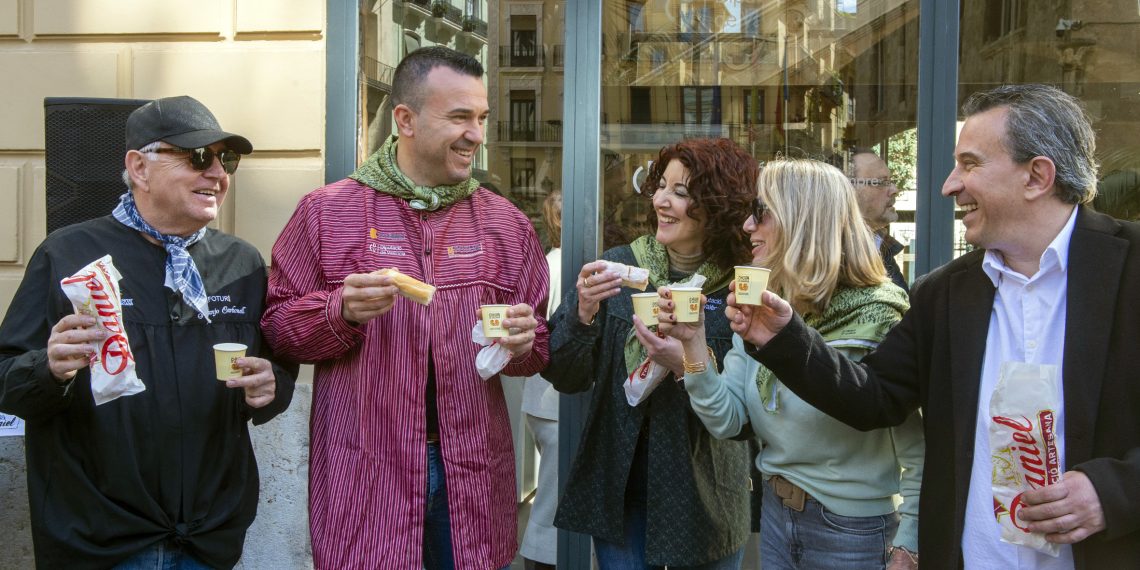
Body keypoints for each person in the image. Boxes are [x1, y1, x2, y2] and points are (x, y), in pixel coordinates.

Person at [730, 83, 1140, 569]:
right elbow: (874, 400)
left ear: (1036, 176)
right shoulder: (943, 294)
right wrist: (783, 338)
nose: (949, 185)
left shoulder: (1131, 269)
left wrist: (1113, 491)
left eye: (970, 164)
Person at [260, 46, 549, 569]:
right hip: (367, 476)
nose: (476, 134)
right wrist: (339, 311)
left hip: (472, 480)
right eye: (459, 117)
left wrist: (525, 343)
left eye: (481, 118)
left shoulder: (505, 224)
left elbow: (537, 350)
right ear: (405, 119)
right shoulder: (327, 213)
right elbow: (279, 328)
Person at [0, 95, 296, 568]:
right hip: (100, 539)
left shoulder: (241, 264)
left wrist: (270, 387)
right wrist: (49, 368)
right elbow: (7, 381)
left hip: (206, 537)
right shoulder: (68, 253)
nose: (217, 174)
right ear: (139, 168)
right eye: (197, 157)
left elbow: (276, 373)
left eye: (226, 160)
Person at [658, 159, 923, 570]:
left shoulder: (879, 314)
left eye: (760, 212)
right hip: (777, 517)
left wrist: (910, 543)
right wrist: (692, 344)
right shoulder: (767, 307)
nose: (747, 225)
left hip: (851, 531)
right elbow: (728, 420)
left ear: (802, 220)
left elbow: (918, 448)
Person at [545, 138, 756, 569]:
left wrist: (688, 362)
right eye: (661, 186)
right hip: (622, 495)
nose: (661, 200)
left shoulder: (741, 288)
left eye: (681, 192)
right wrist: (582, 313)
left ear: (719, 205)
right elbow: (565, 374)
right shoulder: (621, 269)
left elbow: (750, 407)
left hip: (706, 499)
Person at [519, 190, 563, 570]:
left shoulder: (545, 264)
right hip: (557, 402)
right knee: (551, 499)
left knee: (551, 492)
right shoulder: (566, 266)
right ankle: (539, 561)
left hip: (540, 399)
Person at [850, 149, 908, 292]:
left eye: (891, 181)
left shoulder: (880, 247)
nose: (894, 190)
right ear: (849, 189)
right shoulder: (830, 258)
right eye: (882, 182)